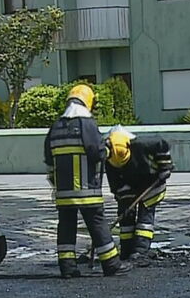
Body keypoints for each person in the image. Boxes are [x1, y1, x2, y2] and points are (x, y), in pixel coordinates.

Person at [44, 84, 131, 278]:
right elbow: (96, 152)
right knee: (97, 224)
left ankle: (67, 267)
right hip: (86, 190)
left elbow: (49, 158)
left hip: (63, 192)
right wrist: (109, 149)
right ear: (88, 101)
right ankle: (111, 264)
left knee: (66, 225)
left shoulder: (56, 126)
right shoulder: (86, 123)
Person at [105, 129, 173, 261]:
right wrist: (122, 200)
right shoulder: (107, 155)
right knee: (126, 217)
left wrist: (165, 166)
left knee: (144, 221)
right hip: (127, 184)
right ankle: (126, 250)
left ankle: (140, 251)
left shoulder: (143, 144)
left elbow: (163, 144)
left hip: (151, 184)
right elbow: (115, 183)